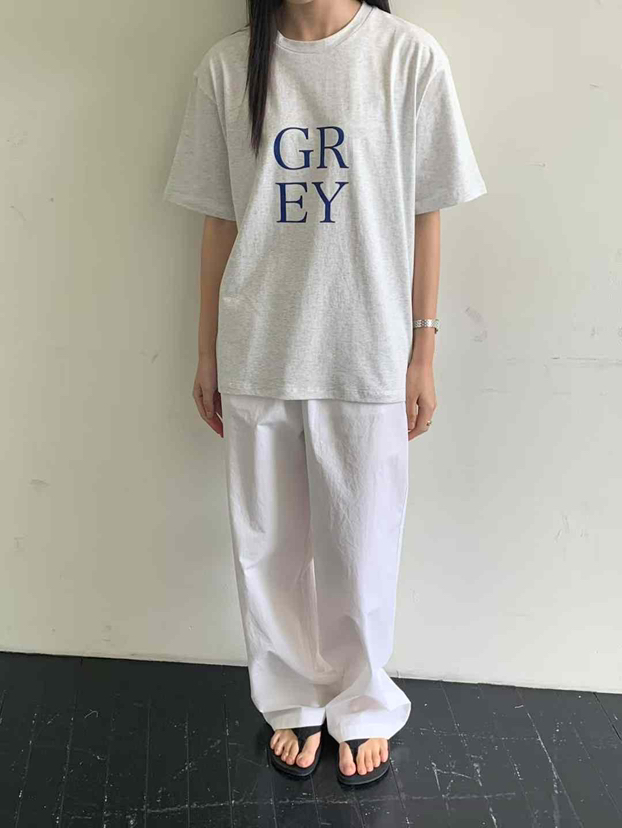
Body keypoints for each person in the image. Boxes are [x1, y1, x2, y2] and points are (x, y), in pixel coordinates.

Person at [163, 0, 486, 785]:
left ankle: (363, 704)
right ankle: (291, 700)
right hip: (258, 346)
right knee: (267, 547)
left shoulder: (407, 58)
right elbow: (218, 222)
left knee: (361, 546)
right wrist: (206, 351)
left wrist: (423, 348)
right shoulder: (228, 67)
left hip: (365, 349)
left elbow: (427, 211)